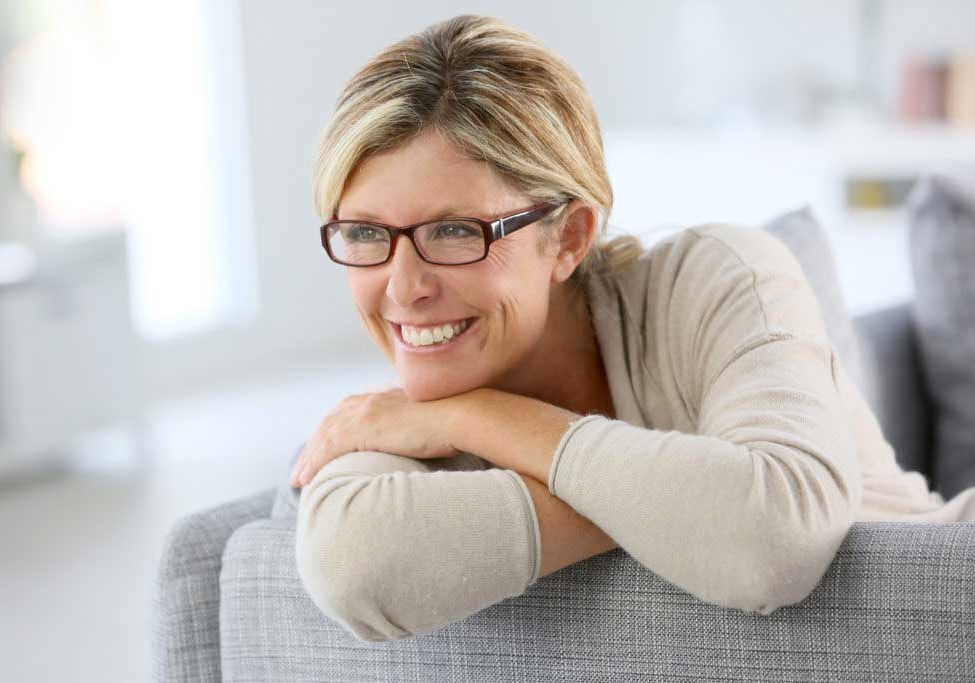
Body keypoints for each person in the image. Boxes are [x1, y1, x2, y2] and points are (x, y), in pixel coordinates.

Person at [286, 14, 975, 644]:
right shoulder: (399, 417)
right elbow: (350, 564)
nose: (402, 287)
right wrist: (698, 507)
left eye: (454, 231)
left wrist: (475, 418)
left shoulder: (719, 276)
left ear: (569, 236)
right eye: (364, 234)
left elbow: (778, 538)